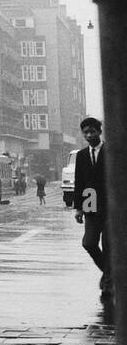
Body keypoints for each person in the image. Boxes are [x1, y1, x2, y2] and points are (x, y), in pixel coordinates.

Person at [70, 117, 111, 301]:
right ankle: (110, 274)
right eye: (85, 132)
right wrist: (78, 208)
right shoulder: (81, 155)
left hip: (111, 206)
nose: (88, 135)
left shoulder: (111, 151)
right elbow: (79, 182)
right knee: (89, 242)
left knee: (110, 245)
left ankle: (109, 282)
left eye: (92, 131)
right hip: (90, 204)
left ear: (99, 132)